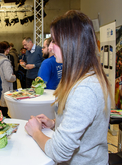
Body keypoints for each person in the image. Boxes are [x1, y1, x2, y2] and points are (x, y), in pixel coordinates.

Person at [25, 10, 113, 164]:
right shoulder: (83, 77)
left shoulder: (85, 89)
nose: (51, 47)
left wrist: (36, 132)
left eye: (54, 41)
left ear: (70, 44)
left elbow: (60, 152)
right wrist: (54, 123)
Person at [0, 41, 16, 118]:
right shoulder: (5, 61)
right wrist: (14, 77)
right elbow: (8, 77)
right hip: (5, 88)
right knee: (4, 112)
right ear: (6, 50)